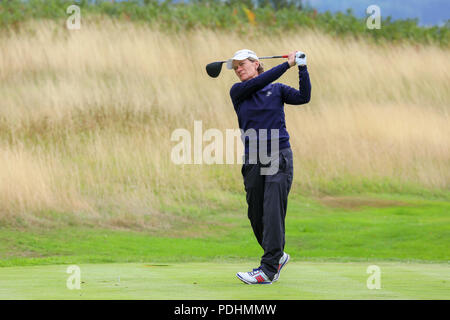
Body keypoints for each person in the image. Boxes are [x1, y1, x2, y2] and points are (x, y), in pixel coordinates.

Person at [228, 49, 311, 284]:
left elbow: (304, 97)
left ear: (256, 64)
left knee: (273, 209)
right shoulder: (238, 91)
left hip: (278, 154)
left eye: (242, 64)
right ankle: (277, 255)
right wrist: (287, 65)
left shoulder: (277, 90)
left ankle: (268, 269)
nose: (238, 69)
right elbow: (263, 80)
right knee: (256, 212)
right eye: (235, 67)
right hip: (253, 158)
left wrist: (302, 68)